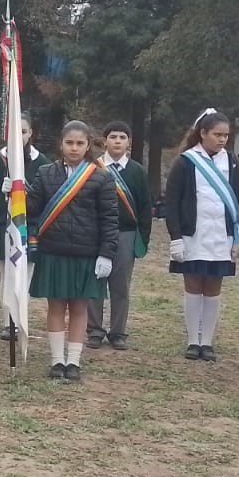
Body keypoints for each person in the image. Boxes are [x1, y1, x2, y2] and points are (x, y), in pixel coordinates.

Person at [28, 121, 117, 380]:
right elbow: (32, 208)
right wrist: (15, 193)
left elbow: (109, 219)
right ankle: (57, 361)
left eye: (80, 143)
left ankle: (74, 362)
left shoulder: (101, 177)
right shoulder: (46, 173)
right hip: (53, 251)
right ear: (61, 144)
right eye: (69, 143)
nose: (74, 148)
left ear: (88, 145)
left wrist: (106, 253)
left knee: (80, 309)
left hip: (86, 253)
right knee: (55, 306)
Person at [164, 108, 239, 361]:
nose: (222, 139)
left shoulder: (233, 163)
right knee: (193, 286)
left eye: (226, 135)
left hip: (221, 236)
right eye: (217, 134)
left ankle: (207, 341)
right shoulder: (186, 161)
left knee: (213, 287)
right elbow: (172, 201)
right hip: (194, 235)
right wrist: (176, 236)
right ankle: (193, 340)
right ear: (203, 133)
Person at [87, 121, 153, 350]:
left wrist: (141, 238)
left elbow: (145, 207)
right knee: (95, 281)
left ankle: (118, 332)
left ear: (129, 142)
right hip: (97, 233)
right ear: (105, 140)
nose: (117, 141)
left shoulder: (136, 171)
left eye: (122, 137)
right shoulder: (94, 168)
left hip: (126, 233)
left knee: (121, 284)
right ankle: (94, 329)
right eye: (113, 136)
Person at [0, 112, 45, 341]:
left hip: (31, 229)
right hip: (4, 228)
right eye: (14, 132)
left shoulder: (42, 162)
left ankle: (21, 321)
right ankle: (8, 321)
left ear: (31, 134)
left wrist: (25, 191)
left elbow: (46, 199)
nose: (19, 137)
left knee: (25, 276)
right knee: (7, 276)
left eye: (24, 132)